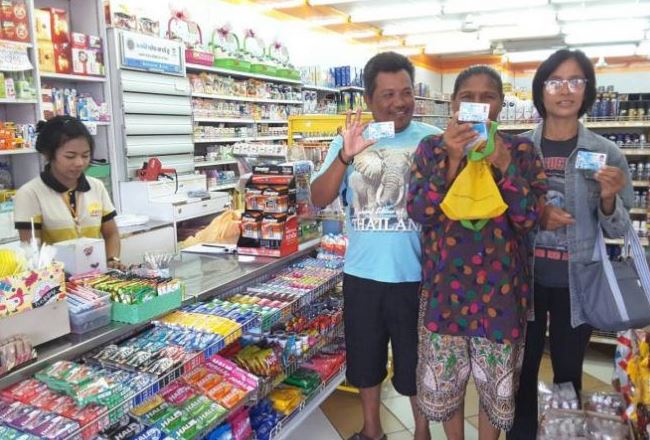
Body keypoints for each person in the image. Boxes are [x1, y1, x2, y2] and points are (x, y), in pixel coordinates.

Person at [406, 65, 548, 440]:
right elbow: (420, 211)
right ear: (454, 104)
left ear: (500, 104)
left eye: (488, 97)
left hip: (501, 294)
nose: (478, 104)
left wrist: (503, 164)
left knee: (494, 389)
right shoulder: (431, 148)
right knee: (447, 387)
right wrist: (452, 159)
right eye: (468, 97)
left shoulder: (520, 149)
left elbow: (529, 218)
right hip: (444, 293)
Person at [310, 51, 441, 440]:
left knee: (416, 365)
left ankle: (422, 433)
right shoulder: (350, 140)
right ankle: (372, 431)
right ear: (368, 99)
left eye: (406, 92)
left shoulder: (432, 140)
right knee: (366, 362)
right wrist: (345, 157)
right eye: (387, 94)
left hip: (417, 276)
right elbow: (318, 197)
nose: (399, 102)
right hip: (363, 274)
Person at [508, 49, 633, 439]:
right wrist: (536, 213)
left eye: (576, 81)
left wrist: (609, 199)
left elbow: (619, 225)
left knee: (567, 370)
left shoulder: (606, 153)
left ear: (587, 90)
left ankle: (563, 433)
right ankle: (522, 433)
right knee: (521, 368)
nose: (566, 90)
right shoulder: (518, 149)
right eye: (555, 81)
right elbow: (503, 214)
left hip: (577, 282)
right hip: (524, 280)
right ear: (541, 90)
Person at [14, 115, 122, 268]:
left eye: (85, 155)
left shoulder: (96, 187)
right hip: (54, 279)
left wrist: (112, 260)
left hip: (95, 275)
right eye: (70, 156)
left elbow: (111, 234)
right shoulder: (29, 194)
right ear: (49, 155)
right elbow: (32, 251)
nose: (79, 163)